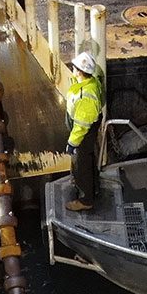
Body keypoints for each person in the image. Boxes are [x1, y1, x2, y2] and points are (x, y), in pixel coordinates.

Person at [63, 51, 103, 212]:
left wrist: (72, 143)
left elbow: (81, 125)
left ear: (80, 71)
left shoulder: (86, 95)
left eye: (74, 67)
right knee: (88, 158)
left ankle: (86, 200)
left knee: (82, 164)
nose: (72, 69)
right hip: (86, 129)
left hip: (83, 133)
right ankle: (94, 187)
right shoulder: (89, 84)